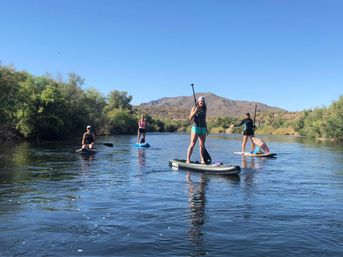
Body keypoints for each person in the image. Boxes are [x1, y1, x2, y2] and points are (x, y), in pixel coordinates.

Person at [186, 96, 208, 164]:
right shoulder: (194, 108)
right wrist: (195, 111)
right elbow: (190, 118)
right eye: (201, 101)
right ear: (198, 102)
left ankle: (202, 160)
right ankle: (188, 160)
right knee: (192, 144)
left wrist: (206, 129)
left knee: (202, 145)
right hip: (196, 127)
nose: (202, 102)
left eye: (203, 101)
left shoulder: (204, 110)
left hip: (203, 128)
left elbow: (204, 120)